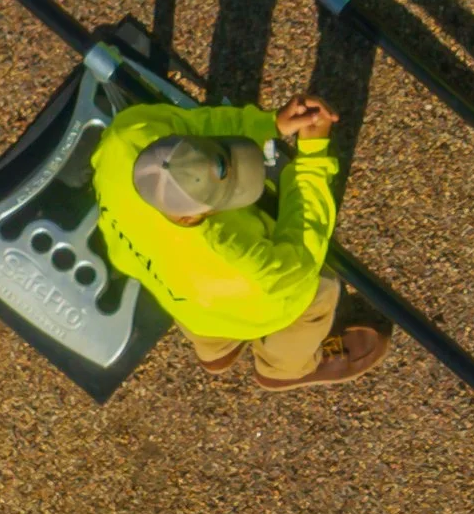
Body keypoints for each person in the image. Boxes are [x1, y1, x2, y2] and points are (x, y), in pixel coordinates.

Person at [93, 90, 391, 391]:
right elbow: (305, 239)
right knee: (319, 291)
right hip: (252, 303)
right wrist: (312, 155)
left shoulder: (123, 140)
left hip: (185, 300)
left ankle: (215, 352)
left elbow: (195, 125)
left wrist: (272, 123)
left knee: (187, 299)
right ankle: (283, 368)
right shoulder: (251, 268)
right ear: (189, 218)